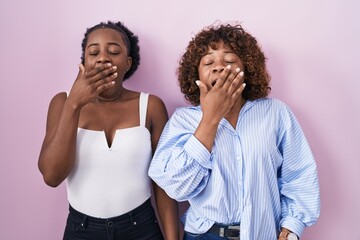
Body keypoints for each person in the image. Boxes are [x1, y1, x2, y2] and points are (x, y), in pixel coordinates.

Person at [148, 22, 320, 240]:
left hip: (264, 233)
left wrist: (292, 225)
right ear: (197, 74)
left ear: (247, 69)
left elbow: (299, 173)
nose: (219, 66)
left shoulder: (276, 113)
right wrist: (210, 119)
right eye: (208, 61)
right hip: (205, 235)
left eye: (229, 60)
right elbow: (177, 187)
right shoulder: (183, 120)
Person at [38, 21, 179, 240]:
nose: (103, 57)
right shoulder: (62, 102)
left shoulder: (150, 106)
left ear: (127, 63)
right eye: (93, 52)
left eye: (114, 51)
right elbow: (52, 176)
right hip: (81, 230)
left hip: (141, 228)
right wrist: (74, 104)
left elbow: (163, 183)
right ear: (84, 62)